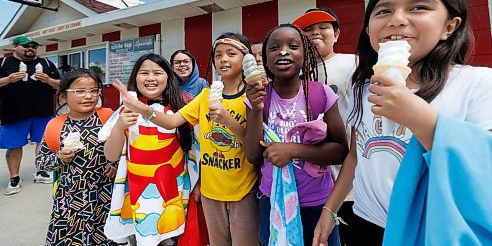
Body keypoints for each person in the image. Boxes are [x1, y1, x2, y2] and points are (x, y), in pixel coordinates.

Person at [312, 0, 492, 246]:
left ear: (450, 26)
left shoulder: (481, 85)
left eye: (419, 7)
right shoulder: (364, 87)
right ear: (368, 29)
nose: (397, 20)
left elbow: (488, 175)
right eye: (383, 11)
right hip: (366, 222)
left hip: (432, 230)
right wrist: (330, 209)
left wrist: (418, 117)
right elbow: (356, 156)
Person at [113, 33, 260, 246]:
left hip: (244, 189)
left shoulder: (252, 97)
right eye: (218, 55)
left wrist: (229, 122)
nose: (223, 60)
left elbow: (254, 149)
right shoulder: (205, 95)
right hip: (211, 191)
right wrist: (143, 109)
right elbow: (172, 122)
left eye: (231, 54)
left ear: (245, 59)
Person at [244, 23, 348, 246]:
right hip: (272, 201)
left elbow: (340, 151)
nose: (283, 52)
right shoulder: (258, 98)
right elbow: (253, 155)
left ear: (305, 54)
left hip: (317, 202)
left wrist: (292, 150)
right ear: (265, 58)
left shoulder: (321, 93)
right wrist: (257, 108)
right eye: (274, 47)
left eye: (293, 46)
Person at [102, 53, 197, 246]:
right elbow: (110, 155)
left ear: (168, 77)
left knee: (170, 239)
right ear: (135, 78)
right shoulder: (124, 112)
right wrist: (120, 126)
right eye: (144, 73)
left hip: (174, 195)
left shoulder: (181, 110)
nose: (151, 78)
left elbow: (195, 152)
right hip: (136, 198)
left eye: (158, 73)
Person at [293, 8, 357, 245]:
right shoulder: (292, 72)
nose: (315, 33)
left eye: (323, 27)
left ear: (337, 34)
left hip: (349, 178)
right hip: (310, 183)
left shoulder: (354, 64)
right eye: (308, 30)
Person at [35, 69, 117, 245]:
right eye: (80, 91)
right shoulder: (55, 125)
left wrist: (116, 164)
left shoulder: (108, 118)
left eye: (94, 90)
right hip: (69, 202)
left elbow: (125, 151)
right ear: (64, 97)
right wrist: (59, 158)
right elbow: (41, 162)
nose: (88, 96)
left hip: (105, 198)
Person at [0, 36, 60, 195]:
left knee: (43, 143)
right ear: (14, 47)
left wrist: (48, 80)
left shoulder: (46, 63)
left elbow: (61, 84)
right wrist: (8, 79)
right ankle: (14, 178)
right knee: (14, 146)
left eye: (34, 46)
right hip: (13, 113)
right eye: (26, 46)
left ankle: (41, 171)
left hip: (43, 112)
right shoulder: (4, 63)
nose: (31, 48)